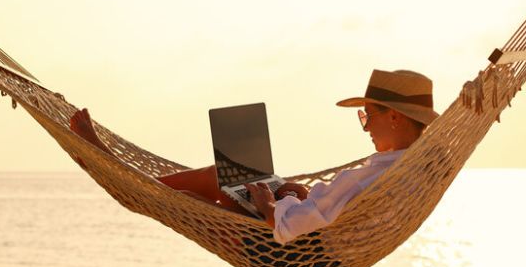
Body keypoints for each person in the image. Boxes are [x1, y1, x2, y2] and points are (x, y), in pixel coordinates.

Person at [68, 68, 437, 243]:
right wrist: (292, 193)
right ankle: (119, 175)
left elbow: (295, 226)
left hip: (292, 253)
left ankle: (114, 172)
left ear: (394, 116)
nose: (366, 126)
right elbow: (331, 212)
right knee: (231, 177)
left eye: (367, 115)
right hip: (305, 236)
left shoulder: (376, 175)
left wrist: (269, 205)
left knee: (193, 197)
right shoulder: (407, 167)